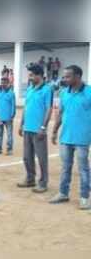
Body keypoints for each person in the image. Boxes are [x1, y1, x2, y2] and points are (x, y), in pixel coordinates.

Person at [50, 65, 91, 210]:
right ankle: (63, 193)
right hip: (65, 137)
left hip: (82, 139)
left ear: (78, 77)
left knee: (83, 169)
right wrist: (54, 131)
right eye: (64, 76)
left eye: (68, 76)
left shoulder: (89, 92)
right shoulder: (64, 93)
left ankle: (85, 197)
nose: (64, 79)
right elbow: (60, 113)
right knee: (65, 167)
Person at [17, 64, 53, 193]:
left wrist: (43, 127)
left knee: (41, 157)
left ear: (39, 75)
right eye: (29, 75)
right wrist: (21, 124)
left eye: (31, 75)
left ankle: (43, 183)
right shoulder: (30, 89)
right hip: (27, 128)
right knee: (27, 157)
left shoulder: (47, 89)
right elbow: (26, 108)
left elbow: (49, 109)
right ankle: (30, 178)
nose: (29, 77)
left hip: (38, 130)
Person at [0, 77, 16, 156]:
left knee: (9, 133)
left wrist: (12, 115)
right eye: (2, 82)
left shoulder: (11, 93)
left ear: (8, 83)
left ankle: (9, 149)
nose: (3, 84)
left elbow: (13, 105)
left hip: (8, 117)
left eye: (5, 82)